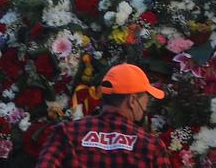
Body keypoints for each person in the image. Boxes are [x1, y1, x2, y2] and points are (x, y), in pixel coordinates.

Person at [34, 62, 176, 167]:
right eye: (146, 98)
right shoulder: (151, 146)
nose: (146, 106)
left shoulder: (66, 133)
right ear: (132, 100)